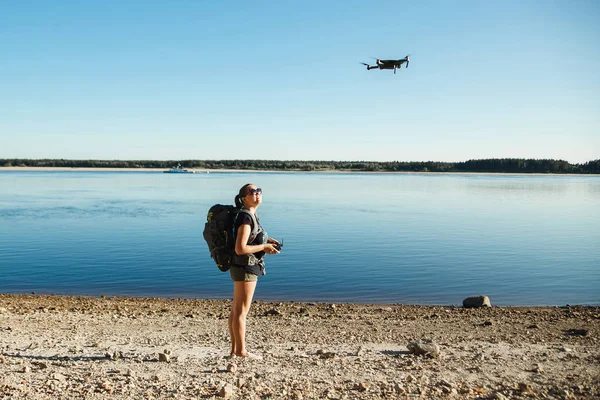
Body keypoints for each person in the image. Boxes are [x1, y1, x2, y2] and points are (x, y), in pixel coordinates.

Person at [228, 183, 280, 359]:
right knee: (241, 311)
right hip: (245, 267)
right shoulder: (245, 217)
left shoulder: (251, 215)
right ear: (244, 198)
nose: (257, 194)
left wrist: (266, 239)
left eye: (259, 191)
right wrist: (264, 247)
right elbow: (240, 248)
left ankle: (234, 351)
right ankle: (241, 351)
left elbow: (250, 237)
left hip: (241, 266)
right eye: (252, 191)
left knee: (236, 310)